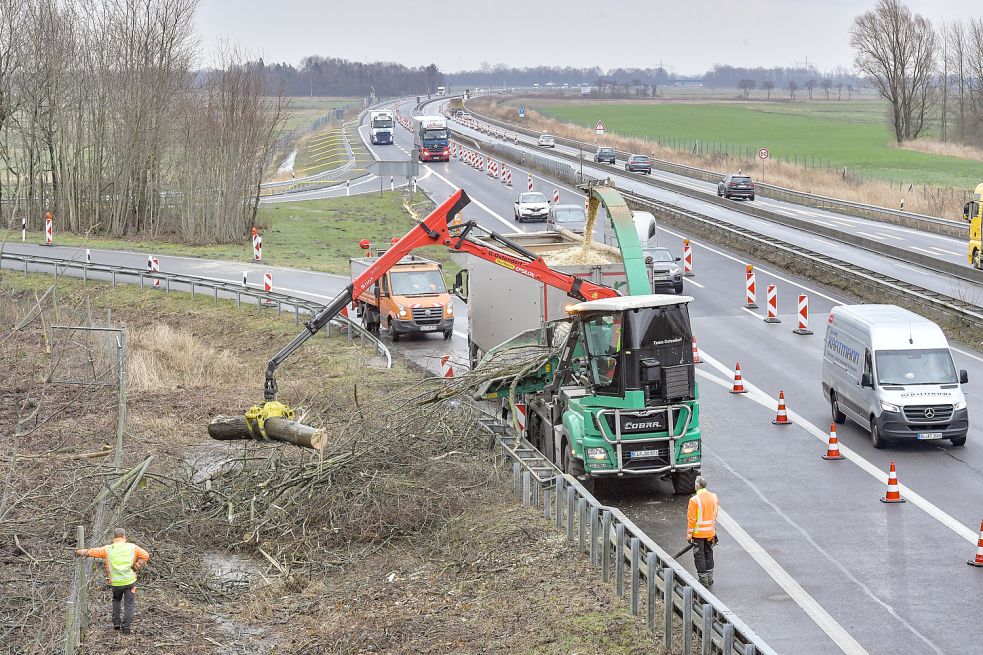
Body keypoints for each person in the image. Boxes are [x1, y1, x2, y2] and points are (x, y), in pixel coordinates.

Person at [76, 528, 150, 634]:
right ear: (124, 536)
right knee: (129, 604)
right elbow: (145, 555)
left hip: (116, 582)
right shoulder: (132, 547)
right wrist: (137, 566)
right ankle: (126, 628)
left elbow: (92, 552)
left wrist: (78, 552)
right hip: (130, 581)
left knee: (116, 600)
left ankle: (116, 623)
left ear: (114, 538)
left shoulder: (108, 549)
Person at [686, 476, 718, 587]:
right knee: (709, 553)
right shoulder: (714, 497)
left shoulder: (694, 500)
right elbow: (715, 514)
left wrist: (689, 535)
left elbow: (692, 520)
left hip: (698, 534)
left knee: (699, 556)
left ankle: (703, 581)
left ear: (697, 485)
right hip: (710, 533)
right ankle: (710, 578)